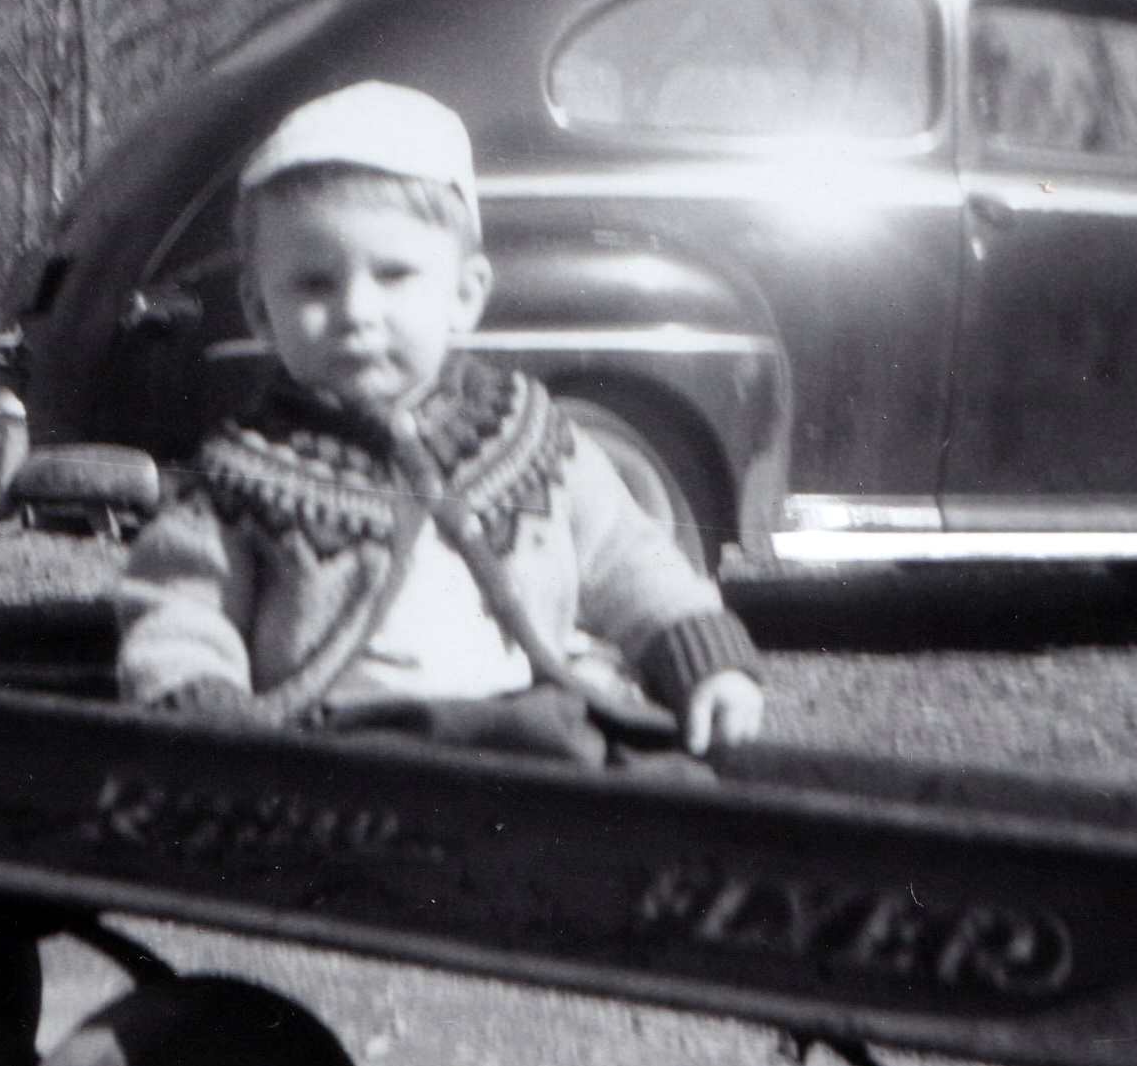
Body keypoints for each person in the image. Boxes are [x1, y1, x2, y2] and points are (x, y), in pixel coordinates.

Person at [116, 81, 763, 763]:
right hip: (338, 749)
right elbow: (182, 608)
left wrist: (698, 648)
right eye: (314, 284)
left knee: (668, 797)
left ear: (464, 295)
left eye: (394, 275)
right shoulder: (244, 470)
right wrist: (199, 700)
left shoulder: (529, 435)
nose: (356, 311)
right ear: (257, 307)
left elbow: (629, 556)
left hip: (530, 727)